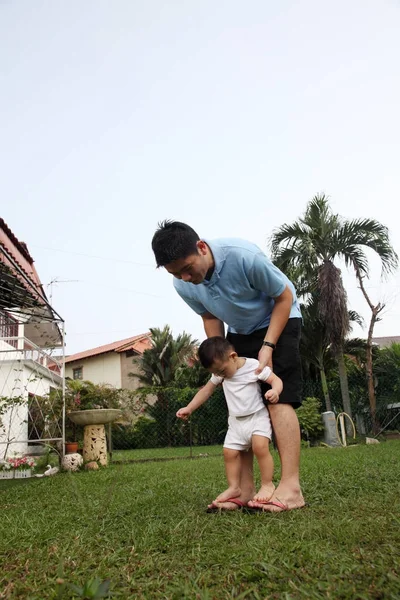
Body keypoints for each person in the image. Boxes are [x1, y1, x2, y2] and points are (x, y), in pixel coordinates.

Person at [152, 220, 305, 512]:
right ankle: (245, 490)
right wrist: (219, 359)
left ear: (201, 247)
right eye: (176, 274)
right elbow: (210, 316)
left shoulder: (242, 257)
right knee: (243, 404)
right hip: (240, 330)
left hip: (278, 319)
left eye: (187, 268)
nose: (185, 277)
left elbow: (284, 297)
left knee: (277, 399)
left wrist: (268, 347)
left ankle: (290, 488)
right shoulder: (182, 283)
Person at [176, 337, 283, 512]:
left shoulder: (253, 366)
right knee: (229, 453)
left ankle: (267, 484)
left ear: (233, 357)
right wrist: (189, 408)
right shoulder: (220, 373)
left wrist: (275, 391)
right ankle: (235, 487)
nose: (220, 376)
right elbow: (206, 390)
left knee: (260, 447)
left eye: (222, 371)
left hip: (257, 417)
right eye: (217, 373)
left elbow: (275, 380)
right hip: (235, 422)